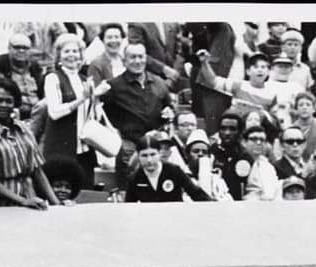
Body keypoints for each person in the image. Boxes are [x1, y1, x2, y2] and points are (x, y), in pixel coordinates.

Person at [98, 42, 175, 194]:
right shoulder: (113, 86)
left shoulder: (158, 83)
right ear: (124, 60)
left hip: (156, 145)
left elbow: (169, 107)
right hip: (130, 145)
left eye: (141, 56)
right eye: (132, 57)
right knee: (129, 190)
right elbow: (100, 114)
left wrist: (169, 112)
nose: (137, 61)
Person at [0, 78, 62, 208]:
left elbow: (37, 171)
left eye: (8, 101)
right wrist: (22, 201)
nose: (3, 105)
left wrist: (56, 203)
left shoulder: (24, 130)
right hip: (0, 206)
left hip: (31, 199)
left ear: (15, 103)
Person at [41, 33, 99, 187]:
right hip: (61, 148)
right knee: (61, 192)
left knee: (85, 193)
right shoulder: (53, 78)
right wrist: (82, 99)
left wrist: (96, 98)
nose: (71, 55)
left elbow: (90, 115)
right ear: (59, 55)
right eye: (67, 51)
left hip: (84, 150)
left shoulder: (85, 79)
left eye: (75, 51)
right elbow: (54, 112)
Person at [125, 131, 213, 203]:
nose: (149, 160)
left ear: (159, 153)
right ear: (138, 156)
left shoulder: (174, 171)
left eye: (153, 154)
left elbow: (196, 194)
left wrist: (214, 208)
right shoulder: (135, 178)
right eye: (144, 155)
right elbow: (129, 206)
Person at [0, 33, 44, 121]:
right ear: (9, 48)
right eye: (17, 47)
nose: (21, 51)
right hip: (12, 112)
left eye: (25, 48)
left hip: (37, 112)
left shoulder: (35, 66)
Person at [241, 123, 279, 200]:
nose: (258, 142)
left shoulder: (268, 166)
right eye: (254, 139)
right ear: (244, 142)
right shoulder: (240, 162)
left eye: (262, 140)